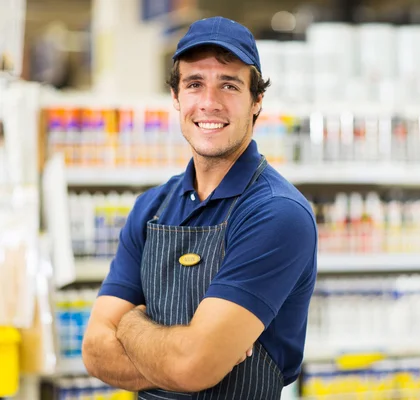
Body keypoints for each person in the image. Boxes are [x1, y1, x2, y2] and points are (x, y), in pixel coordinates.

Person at [82, 16, 318, 400]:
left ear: (256, 101)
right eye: (194, 84)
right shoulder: (151, 208)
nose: (209, 103)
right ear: (176, 98)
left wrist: (128, 325)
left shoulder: (277, 213)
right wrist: (185, 356)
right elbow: (94, 352)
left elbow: (194, 366)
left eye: (229, 85)